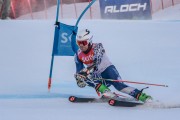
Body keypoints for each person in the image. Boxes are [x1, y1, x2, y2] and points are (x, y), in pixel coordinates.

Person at [74, 29, 152, 102]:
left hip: (108, 70)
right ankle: (107, 93)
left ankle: (144, 97)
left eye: (83, 43)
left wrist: (87, 70)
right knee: (81, 75)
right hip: (97, 76)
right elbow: (79, 71)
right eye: (78, 42)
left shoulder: (97, 46)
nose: (81, 45)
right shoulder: (77, 55)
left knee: (119, 86)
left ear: (89, 41)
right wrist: (80, 79)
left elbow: (97, 62)